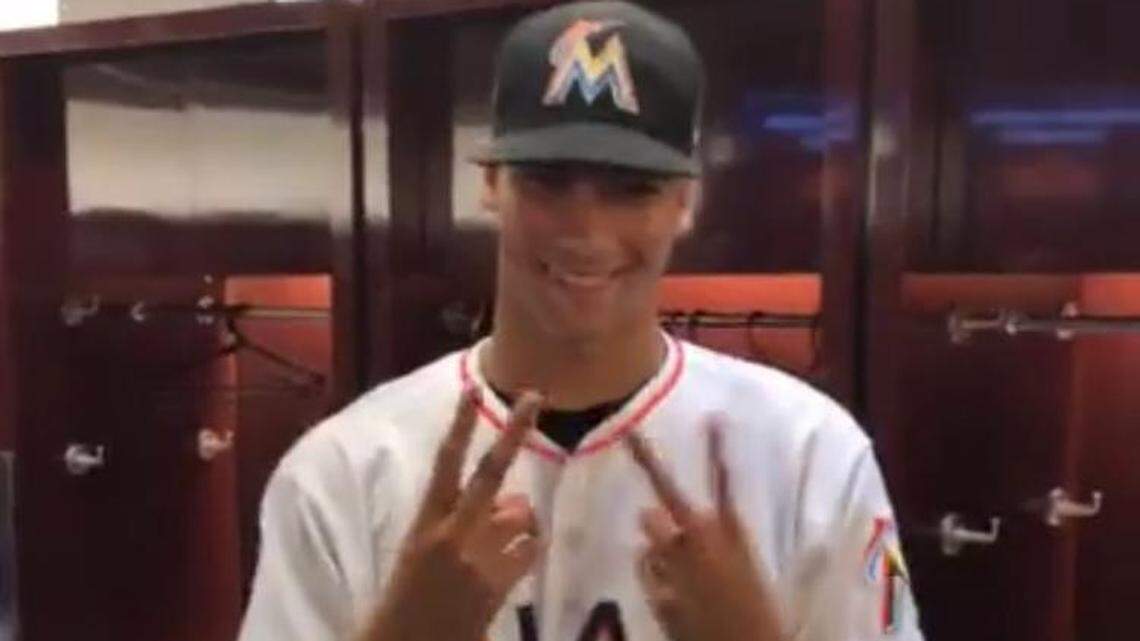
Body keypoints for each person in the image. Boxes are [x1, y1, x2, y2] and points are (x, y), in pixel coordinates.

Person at [237, 2, 924, 640]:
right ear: (490, 183)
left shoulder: (814, 453)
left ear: (685, 202)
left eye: (632, 189)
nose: (585, 228)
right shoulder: (340, 471)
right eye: (548, 179)